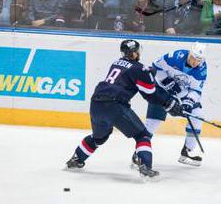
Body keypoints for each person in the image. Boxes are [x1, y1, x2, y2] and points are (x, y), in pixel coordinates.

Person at [66, 39, 184, 179]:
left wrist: (148, 72)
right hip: (115, 105)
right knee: (142, 136)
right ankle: (145, 167)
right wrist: (168, 103)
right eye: (137, 51)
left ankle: (76, 159)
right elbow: (150, 95)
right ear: (134, 53)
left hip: (96, 104)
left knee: (99, 137)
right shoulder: (140, 69)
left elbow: (130, 72)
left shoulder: (116, 63)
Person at [132, 42, 207, 167]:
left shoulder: (202, 69)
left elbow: (196, 90)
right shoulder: (176, 56)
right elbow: (156, 66)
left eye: (199, 60)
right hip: (161, 90)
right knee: (153, 122)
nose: (195, 62)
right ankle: (138, 153)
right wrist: (166, 80)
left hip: (181, 94)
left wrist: (188, 102)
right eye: (193, 58)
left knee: (197, 115)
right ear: (189, 53)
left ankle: (187, 152)